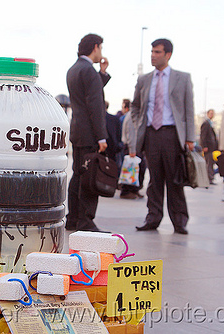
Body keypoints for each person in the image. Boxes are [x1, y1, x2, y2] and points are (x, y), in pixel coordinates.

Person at [131, 38, 195, 235]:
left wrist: (190, 137)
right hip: (151, 134)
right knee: (154, 180)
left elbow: (188, 109)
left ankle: (179, 221)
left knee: (175, 180)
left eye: (157, 52)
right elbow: (135, 105)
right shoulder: (144, 79)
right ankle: (153, 218)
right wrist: (138, 122)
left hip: (172, 134)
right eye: (152, 51)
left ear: (168, 55)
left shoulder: (182, 78)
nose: (153, 55)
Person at [66, 33, 110, 232]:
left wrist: (102, 74)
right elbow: (95, 105)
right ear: (95, 47)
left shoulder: (74, 69)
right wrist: (102, 137)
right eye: (101, 48)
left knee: (78, 174)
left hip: (77, 131)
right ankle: (86, 221)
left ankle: (73, 218)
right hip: (90, 134)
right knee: (89, 177)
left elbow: (86, 96)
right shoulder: (88, 71)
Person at [120, 108, 145, 199]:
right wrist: (132, 149)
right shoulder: (132, 116)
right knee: (130, 169)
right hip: (132, 147)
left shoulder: (134, 115)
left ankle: (134, 189)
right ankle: (126, 191)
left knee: (137, 169)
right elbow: (131, 134)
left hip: (135, 147)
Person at [199, 109, 218, 184]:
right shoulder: (206, 123)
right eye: (210, 113)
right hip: (208, 147)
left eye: (213, 113)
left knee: (210, 162)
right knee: (209, 162)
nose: (212, 114)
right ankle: (208, 178)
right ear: (207, 114)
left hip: (211, 147)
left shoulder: (210, 123)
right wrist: (204, 146)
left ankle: (210, 177)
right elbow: (203, 136)